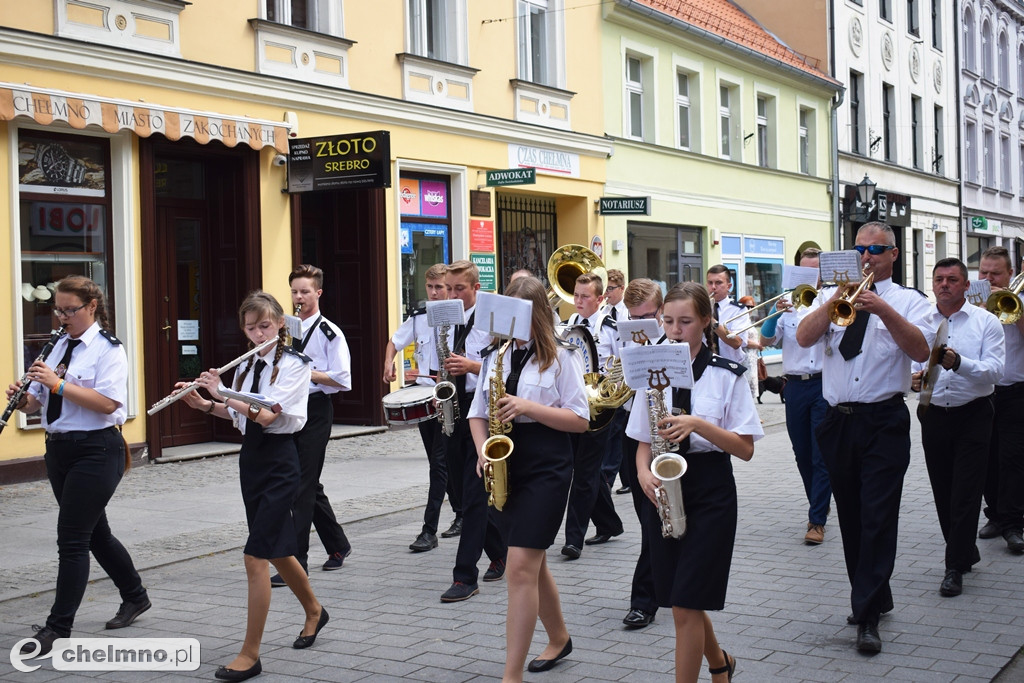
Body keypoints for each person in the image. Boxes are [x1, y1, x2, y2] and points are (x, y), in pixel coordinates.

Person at [796, 222, 932, 654]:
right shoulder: (830, 295)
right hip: (837, 421)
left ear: (893, 254)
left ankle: (867, 614)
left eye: (876, 249)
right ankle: (874, 592)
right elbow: (803, 337)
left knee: (877, 514)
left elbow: (920, 351)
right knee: (852, 515)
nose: (867, 256)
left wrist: (883, 310)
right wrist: (836, 297)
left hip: (884, 421)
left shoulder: (910, 301)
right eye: (860, 249)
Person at [179, 291, 328, 680]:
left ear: (280, 323)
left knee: (255, 556)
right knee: (277, 550)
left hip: (281, 460)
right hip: (252, 461)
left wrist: (222, 392)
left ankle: (250, 654)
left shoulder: (296, 364)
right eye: (251, 328)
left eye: (265, 325)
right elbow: (239, 415)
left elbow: (267, 414)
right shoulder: (247, 366)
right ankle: (315, 610)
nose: (259, 333)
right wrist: (206, 405)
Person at [626, 281, 762, 682]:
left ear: (705, 321)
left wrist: (698, 424)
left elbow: (745, 448)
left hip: (710, 488)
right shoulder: (650, 370)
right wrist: (641, 473)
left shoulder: (727, 375)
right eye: (667, 321)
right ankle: (720, 664)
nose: (675, 330)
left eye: (685, 321)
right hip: (663, 485)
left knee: (686, 604)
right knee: (680, 598)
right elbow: (640, 439)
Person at [9, 275, 150, 657]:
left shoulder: (109, 350)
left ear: (91, 307)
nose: (62, 316)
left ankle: (58, 628)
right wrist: (22, 399)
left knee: (72, 539)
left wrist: (57, 385)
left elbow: (109, 404)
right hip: (58, 449)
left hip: (96, 449)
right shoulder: (56, 346)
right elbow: (37, 402)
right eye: (58, 309)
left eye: (69, 310)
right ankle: (135, 596)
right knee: (95, 532)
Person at [468, 276, 589, 681]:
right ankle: (559, 637)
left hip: (547, 465)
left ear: (536, 313)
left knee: (520, 566)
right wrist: (483, 451)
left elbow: (580, 419)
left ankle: (511, 675)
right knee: (533, 564)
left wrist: (528, 407)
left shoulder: (562, 355)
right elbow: (476, 412)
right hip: (505, 464)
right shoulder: (495, 355)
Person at [911, 258, 1004, 597]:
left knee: (965, 492)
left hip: (974, 413)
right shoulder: (920, 322)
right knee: (943, 491)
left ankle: (954, 567)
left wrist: (959, 363)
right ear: (932, 284)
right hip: (933, 412)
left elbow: (996, 372)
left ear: (967, 285)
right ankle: (964, 549)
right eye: (939, 279)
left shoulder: (986, 322)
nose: (944, 285)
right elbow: (911, 364)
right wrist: (915, 379)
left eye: (952, 279)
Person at [268, 264, 352, 589]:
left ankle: (297, 563)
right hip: (290, 408)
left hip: (316, 410)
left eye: (305, 291)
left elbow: (342, 379)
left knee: (300, 486)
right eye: (294, 291)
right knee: (307, 484)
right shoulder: (286, 329)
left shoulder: (331, 332)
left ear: (318, 292)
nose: (299, 297)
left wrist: (308, 374)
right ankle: (338, 544)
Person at [440, 260, 508, 602]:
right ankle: (499, 550)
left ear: (476, 288)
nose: (453, 295)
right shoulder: (446, 315)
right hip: (453, 405)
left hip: (481, 407)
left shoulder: (491, 318)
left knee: (475, 491)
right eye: (448, 288)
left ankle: (465, 575)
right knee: (462, 492)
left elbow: (504, 364)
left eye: (459, 289)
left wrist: (471, 366)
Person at [384, 263, 461, 549]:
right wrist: (388, 360)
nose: (434, 292)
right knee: (438, 461)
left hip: (450, 396)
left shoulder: (460, 318)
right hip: (425, 395)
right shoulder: (419, 316)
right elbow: (395, 340)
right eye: (430, 287)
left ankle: (428, 531)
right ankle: (461, 512)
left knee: (440, 463)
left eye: (439, 287)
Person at [760, 244, 832, 545]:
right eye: (804, 270)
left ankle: (817, 519)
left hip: (824, 385)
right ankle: (820, 504)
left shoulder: (831, 301)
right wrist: (775, 315)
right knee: (802, 453)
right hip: (794, 386)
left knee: (820, 455)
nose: (809, 276)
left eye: (814, 271)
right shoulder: (786, 302)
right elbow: (765, 340)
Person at [561, 272, 624, 559]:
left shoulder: (612, 328)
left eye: (585, 296)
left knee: (584, 474)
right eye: (576, 295)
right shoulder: (568, 325)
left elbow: (624, 367)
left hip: (600, 411)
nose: (578, 301)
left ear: (601, 299)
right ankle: (609, 523)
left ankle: (573, 538)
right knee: (585, 468)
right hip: (573, 406)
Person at [618, 278, 665, 630]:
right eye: (634, 319)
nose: (641, 327)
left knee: (656, 523)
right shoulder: (626, 342)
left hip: (667, 436)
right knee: (648, 520)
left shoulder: (677, 343)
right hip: (633, 435)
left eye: (648, 318)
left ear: (661, 313)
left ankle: (644, 600)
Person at [977, 247, 1024, 554]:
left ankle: (1013, 523)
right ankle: (995, 514)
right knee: (987, 459)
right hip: (983, 390)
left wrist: (1014, 307)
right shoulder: (973, 299)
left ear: (1010, 274)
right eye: (984, 272)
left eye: (995, 273)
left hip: (1016, 389)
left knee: (1013, 458)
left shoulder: (1018, 298)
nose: (989, 278)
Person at [706, 265, 748, 366]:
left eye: (718, 283)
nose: (713, 287)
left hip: (730, 367)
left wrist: (711, 320)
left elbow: (737, 343)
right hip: (705, 366)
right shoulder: (699, 307)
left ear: (729, 286)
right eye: (710, 283)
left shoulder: (738, 310)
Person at [737, 295, 763, 401]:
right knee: (744, 388)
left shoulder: (748, 319)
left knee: (751, 389)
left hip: (752, 358)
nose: (749, 310)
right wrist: (758, 345)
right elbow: (742, 340)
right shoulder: (739, 320)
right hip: (744, 357)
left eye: (751, 307)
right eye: (747, 307)